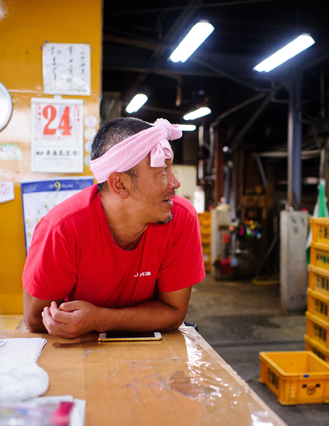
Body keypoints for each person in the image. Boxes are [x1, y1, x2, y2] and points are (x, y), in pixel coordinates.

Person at [22, 117, 205, 339]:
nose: (175, 183)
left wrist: (100, 319)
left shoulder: (181, 218)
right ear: (120, 184)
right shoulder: (63, 229)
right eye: (163, 171)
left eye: (171, 168)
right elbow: (35, 320)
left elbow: (175, 313)